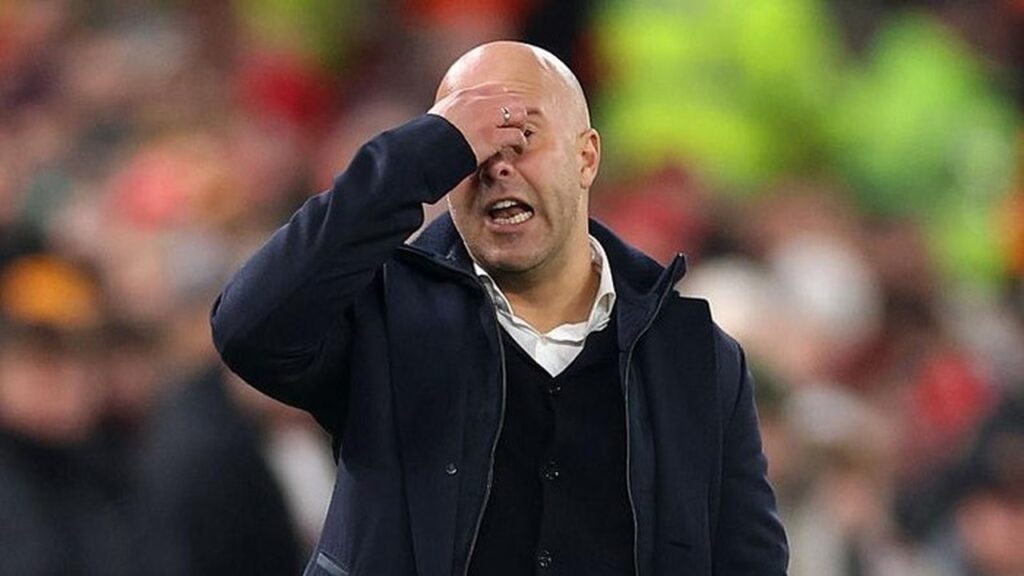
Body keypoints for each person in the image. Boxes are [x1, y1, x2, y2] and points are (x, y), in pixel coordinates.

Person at [212, 41, 788, 576]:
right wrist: (421, 155)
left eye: (521, 137)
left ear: (586, 158)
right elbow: (250, 328)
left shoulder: (695, 358)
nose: (496, 165)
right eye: (470, 146)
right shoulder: (382, 316)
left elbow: (748, 563)